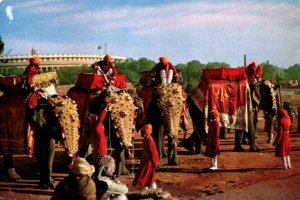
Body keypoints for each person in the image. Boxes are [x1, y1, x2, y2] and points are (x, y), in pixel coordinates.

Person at [132, 124, 159, 191]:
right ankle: (152, 189)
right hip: (145, 161)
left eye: (143, 133)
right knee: (148, 176)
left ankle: (147, 189)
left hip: (149, 162)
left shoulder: (149, 141)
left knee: (145, 176)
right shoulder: (146, 140)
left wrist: (154, 162)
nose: (142, 134)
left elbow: (153, 153)